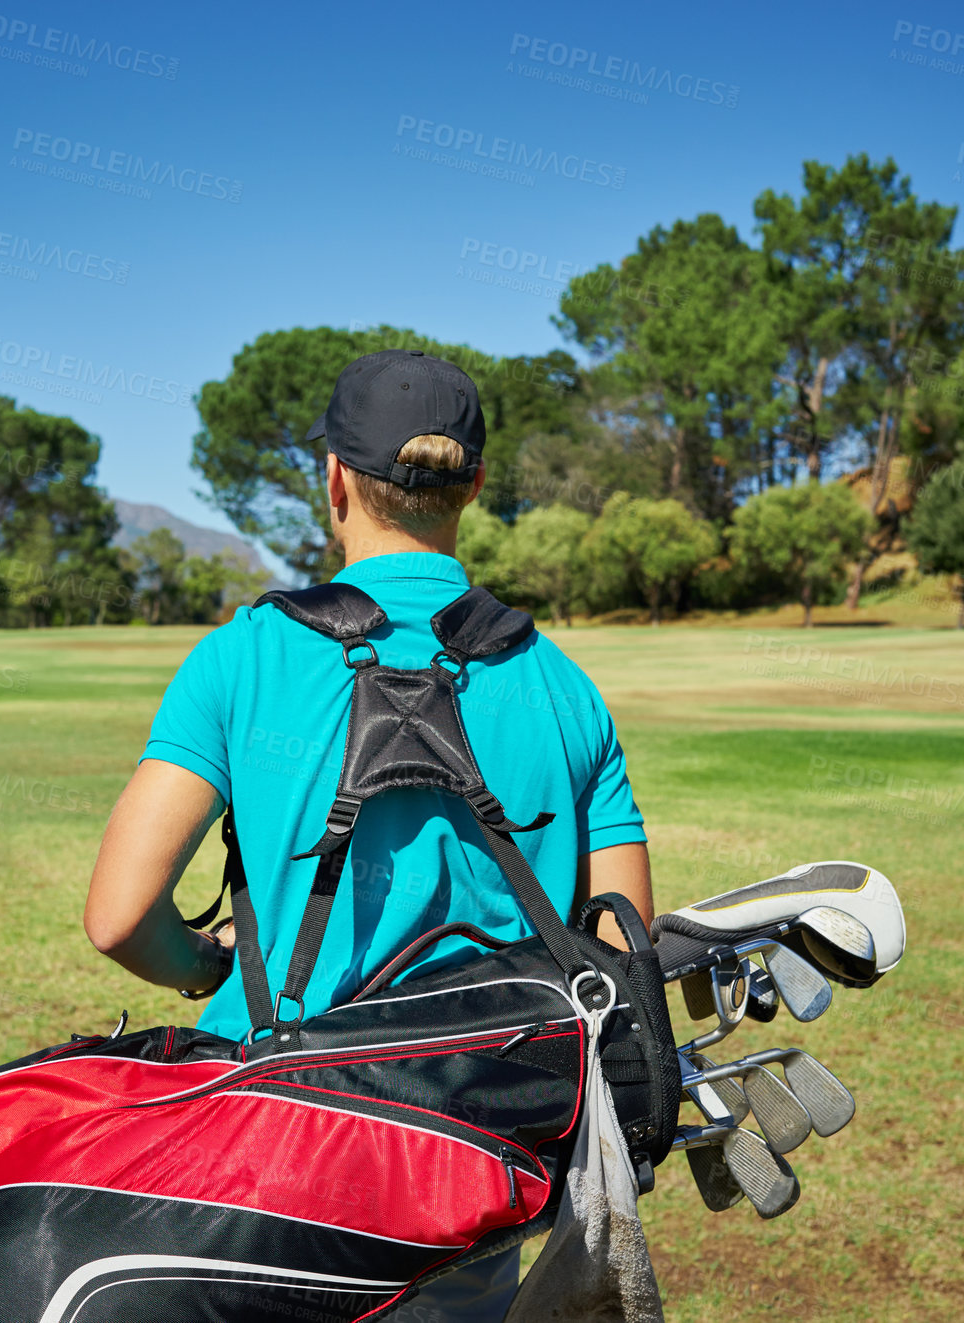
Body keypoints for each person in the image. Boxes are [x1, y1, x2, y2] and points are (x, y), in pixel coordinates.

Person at [83, 348, 653, 1320]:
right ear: (472, 482)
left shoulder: (242, 657)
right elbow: (619, 960)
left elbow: (119, 915)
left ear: (335, 479)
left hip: (268, 1152)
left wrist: (202, 968)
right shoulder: (566, 687)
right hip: (473, 1160)